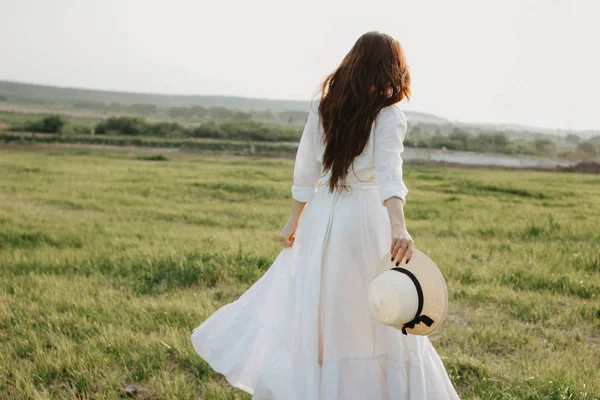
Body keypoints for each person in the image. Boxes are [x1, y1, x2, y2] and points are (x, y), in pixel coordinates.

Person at [191, 31, 460, 400]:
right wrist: (399, 227)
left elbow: (306, 171)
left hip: (323, 218)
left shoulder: (324, 106)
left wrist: (294, 221)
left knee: (324, 310)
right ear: (390, 68)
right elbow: (389, 175)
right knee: (375, 311)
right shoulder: (389, 114)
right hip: (365, 223)